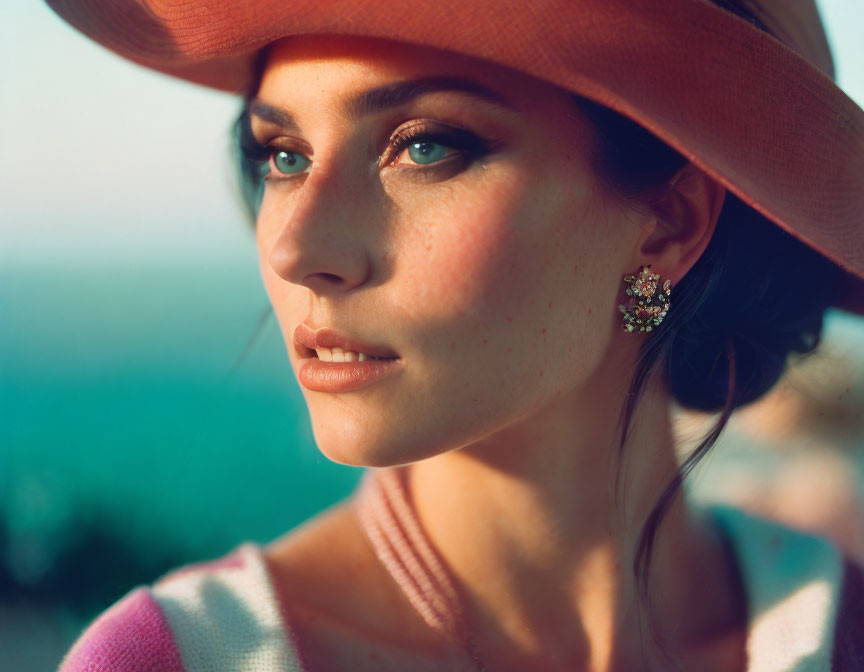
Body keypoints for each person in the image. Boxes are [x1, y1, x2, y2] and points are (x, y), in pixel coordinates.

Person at [46, 0, 864, 670]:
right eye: (283, 155)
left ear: (667, 225)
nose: (298, 248)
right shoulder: (184, 659)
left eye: (424, 147)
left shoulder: (840, 628)